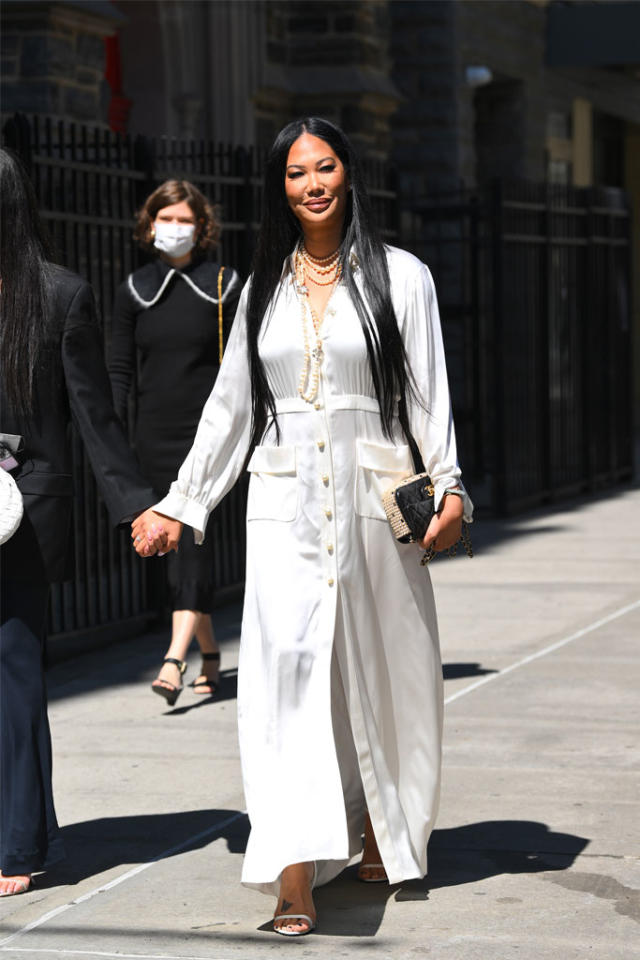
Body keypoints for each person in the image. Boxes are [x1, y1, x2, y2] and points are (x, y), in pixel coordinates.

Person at [132, 118, 473, 935]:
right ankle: (291, 868)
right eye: (295, 172)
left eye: (325, 167)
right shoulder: (261, 288)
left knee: (383, 676)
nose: (312, 183)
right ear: (279, 187)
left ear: (349, 174)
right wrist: (183, 501)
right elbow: (232, 409)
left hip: (373, 506)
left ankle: (375, 825)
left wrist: (451, 488)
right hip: (284, 511)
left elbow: (427, 391)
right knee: (285, 684)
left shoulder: (403, 277)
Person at [0, 148, 156, 896]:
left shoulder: (59, 297)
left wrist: (135, 504)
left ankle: (18, 845)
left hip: (18, 516)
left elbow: (94, 416)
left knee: (13, 674)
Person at [109, 181, 240, 705]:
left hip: (208, 437)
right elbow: (119, 370)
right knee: (175, 550)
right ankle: (209, 655)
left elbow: (240, 368)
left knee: (194, 547)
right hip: (153, 439)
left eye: (184, 219)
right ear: (149, 225)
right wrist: (113, 437)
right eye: (165, 219)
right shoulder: (134, 290)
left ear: (202, 226)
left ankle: (174, 657)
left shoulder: (226, 284)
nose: (174, 228)